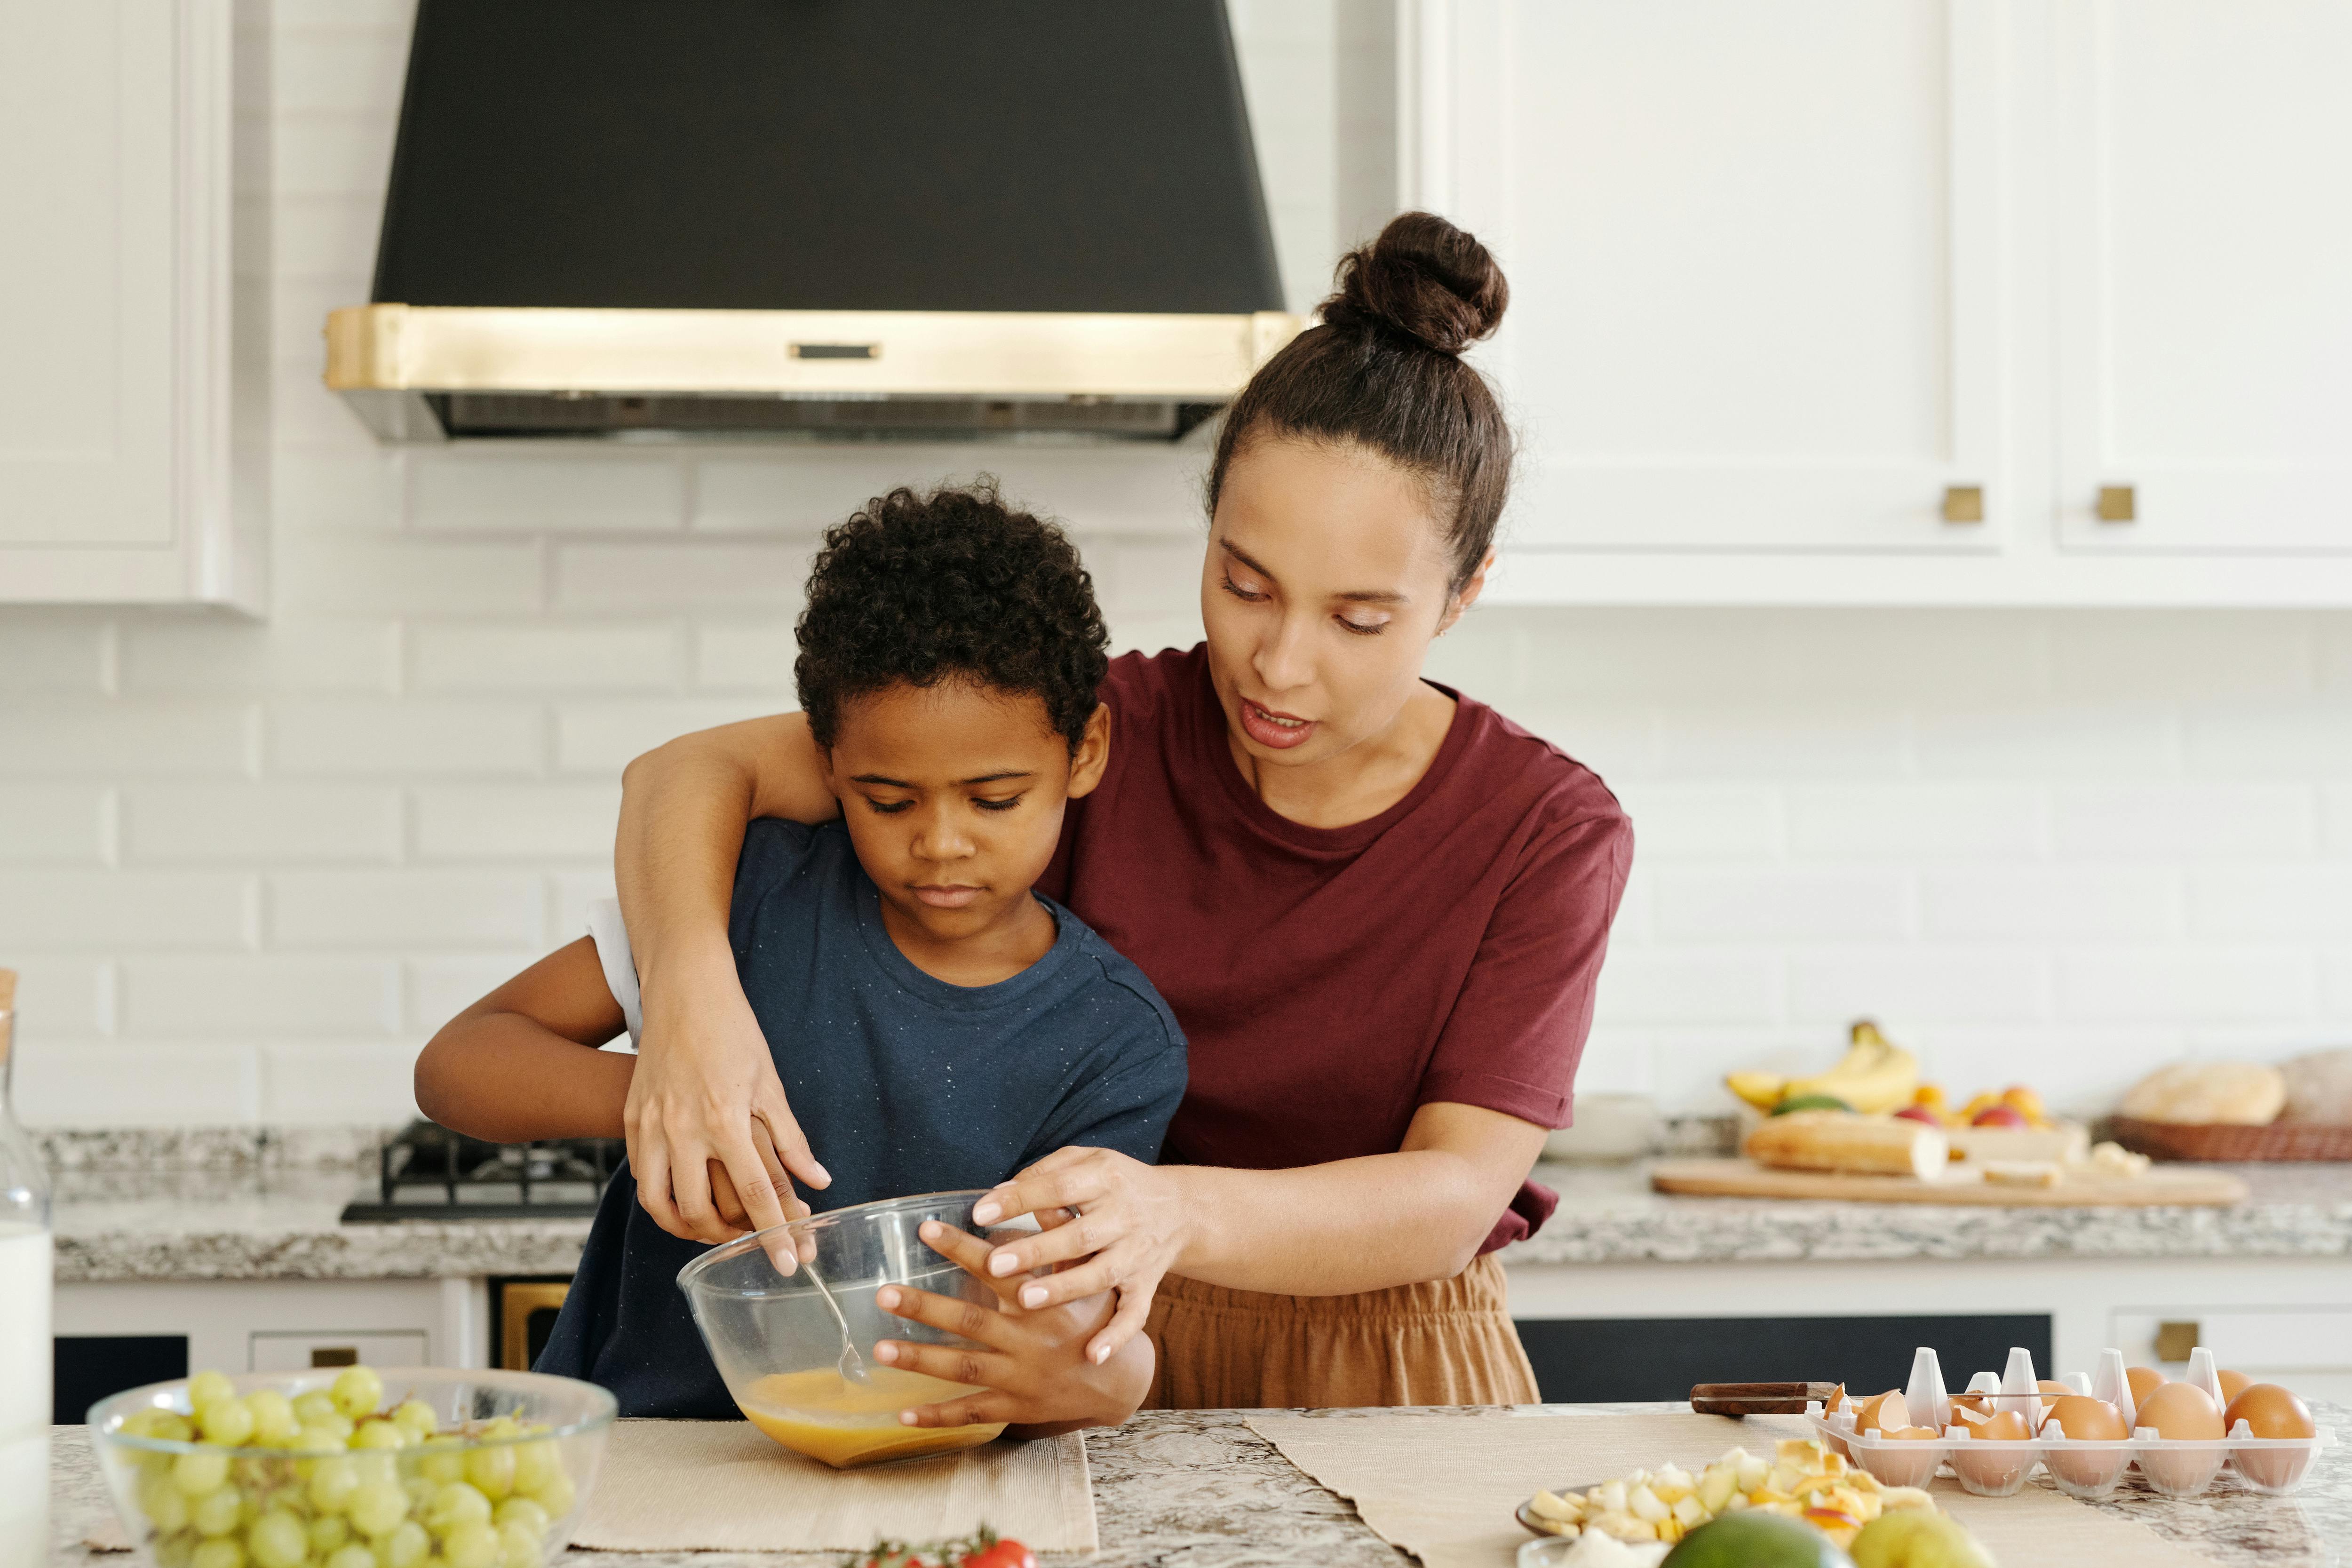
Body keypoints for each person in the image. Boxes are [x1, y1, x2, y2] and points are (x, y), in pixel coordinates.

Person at [608, 212, 1634, 1423]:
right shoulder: (1100, 729)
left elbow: (1454, 1191)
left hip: (1389, 1363)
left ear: (1463, 596)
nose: (1280, 664)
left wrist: (1177, 1210)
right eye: (1244, 582)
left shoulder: (1545, 827)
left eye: (1357, 618)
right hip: (1083, 1344)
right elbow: (685, 773)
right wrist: (688, 1006)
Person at [413, 485, 1188, 1433]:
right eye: (888, 799)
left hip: (917, 1462)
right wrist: (673, 1101)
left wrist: (1090, 1367)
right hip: (643, 1453)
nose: (941, 842)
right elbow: (456, 1065)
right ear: (826, 766)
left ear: (1085, 752)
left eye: (993, 798)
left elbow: (1062, 1313)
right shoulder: (753, 892)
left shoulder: (1113, 1039)